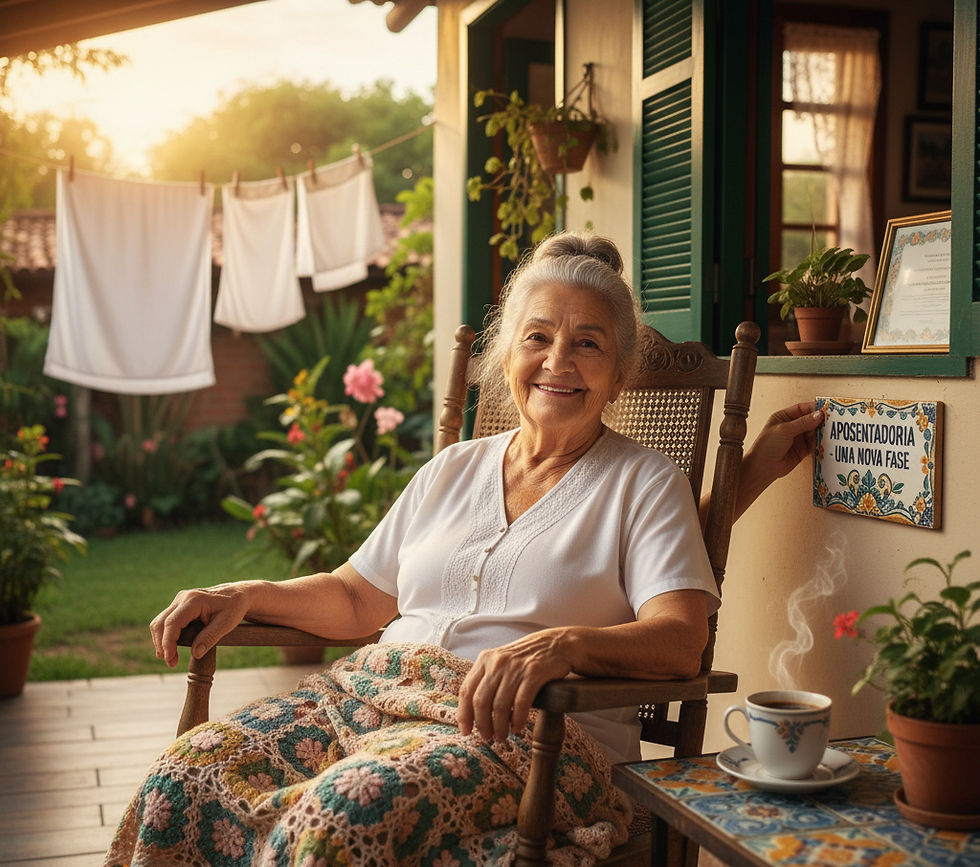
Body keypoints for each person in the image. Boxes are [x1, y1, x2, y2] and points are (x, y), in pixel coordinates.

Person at [106, 233, 822, 866]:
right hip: (372, 700)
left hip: (520, 735)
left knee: (342, 814)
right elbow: (359, 596)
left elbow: (678, 638)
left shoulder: (644, 482)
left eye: (588, 342)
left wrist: (559, 646)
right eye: (537, 336)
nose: (558, 361)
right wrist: (245, 594)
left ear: (620, 372)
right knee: (188, 775)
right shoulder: (452, 468)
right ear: (508, 354)